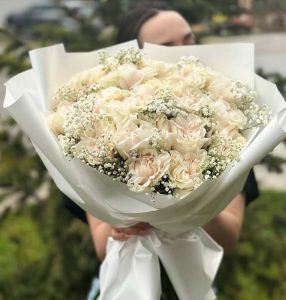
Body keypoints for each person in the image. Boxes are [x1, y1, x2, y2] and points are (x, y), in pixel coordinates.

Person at [65, 5, 259, 299]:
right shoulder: (97, 130)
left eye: (188, 40)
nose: (183, 52)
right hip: (124, 281)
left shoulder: (229, 131)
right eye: (166, 47)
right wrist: (128, 219)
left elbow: (229, 236)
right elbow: (101, 245)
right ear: (135, 58)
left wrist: (189, 201)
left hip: (191, 282)